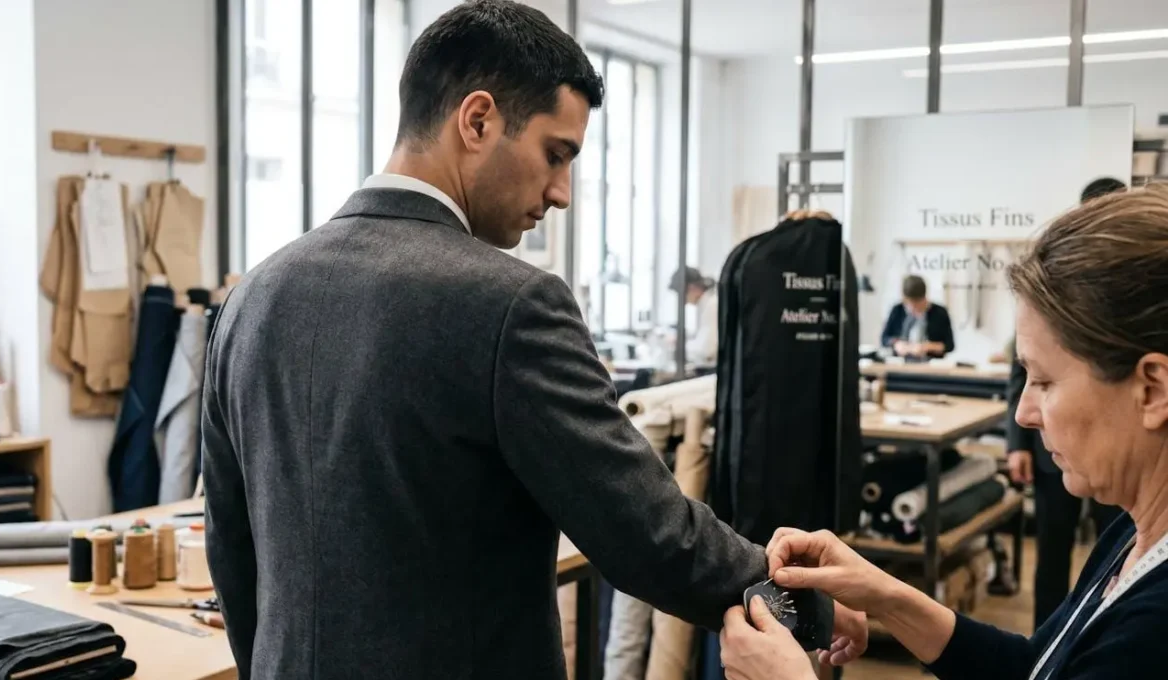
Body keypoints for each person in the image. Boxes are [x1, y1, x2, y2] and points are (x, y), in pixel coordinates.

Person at [200, 3, 865, 678]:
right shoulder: (510, 303)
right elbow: (647, 531)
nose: (562, 192)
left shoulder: (252, 296)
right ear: (478, 119)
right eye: (557, 154)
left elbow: (231, 551)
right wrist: (804, 601)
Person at [717, 185, 1168, 680]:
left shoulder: (1153, 628)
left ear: (1151, 391)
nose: (1023, 413)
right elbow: (1030, 668)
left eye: (1043, 380)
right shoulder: (1130, 537)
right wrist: (886, 594)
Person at [1007, 175, 1127, 630]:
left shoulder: (1135, 291)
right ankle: (1048, 637)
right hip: (1049, 450)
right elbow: (1022, 367)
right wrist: (1017, 442)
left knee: (1114, 549)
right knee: (1052, 549)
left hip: (1110, 447)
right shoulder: (1053, 282)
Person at [880, 274, 955, 359]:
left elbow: (950, 345)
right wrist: (897, 344)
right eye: (910, 304)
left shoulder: (940, 312)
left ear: (924, 298)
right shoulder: (897, 310)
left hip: (931, 364)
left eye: (917, 304)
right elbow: (884, 339)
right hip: (900, 363)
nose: (913, 308)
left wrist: (927, 346)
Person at [669, 266, 718, 367]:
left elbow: (708, 350)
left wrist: (680, 346)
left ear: (692, 288)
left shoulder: (713, 305)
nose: (683, 301)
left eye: (681, 294)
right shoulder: (707, 304)